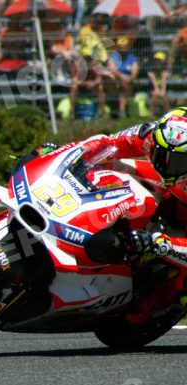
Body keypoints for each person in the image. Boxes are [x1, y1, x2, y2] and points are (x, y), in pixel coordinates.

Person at [50, 108, 187, 321]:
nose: (167, 163)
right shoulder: (151, 134)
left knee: (182, 287)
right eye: (161, 153)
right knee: (112, 165)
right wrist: (64, 154)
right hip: (167, 188)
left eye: (178, 161)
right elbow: (107, 144)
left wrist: (161, 243)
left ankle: (143, 310)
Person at [105, 36, 139, 117]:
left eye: (125, 47)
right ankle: (121, 111)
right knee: (112, 78)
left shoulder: (132, 59)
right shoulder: (113, 58)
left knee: (124, 87)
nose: (123, 49)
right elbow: (112, 69)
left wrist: (129, 78)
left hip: (128, 82)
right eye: (121, 47)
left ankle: (121, 111)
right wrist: (121, 77)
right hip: (116, 81)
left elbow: (134, 73)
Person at [148, 51, 170, 117]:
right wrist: (157, 90)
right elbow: (153, 81)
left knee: (163, 96)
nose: (157, 61)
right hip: (153, 88)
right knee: (155, 96)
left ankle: (168, 113)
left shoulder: (165, 69)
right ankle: (152, 113)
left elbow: (164, 80)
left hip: (163, 88)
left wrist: (163, 90)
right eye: (156, 59)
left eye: (159, 60)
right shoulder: (150, 69)